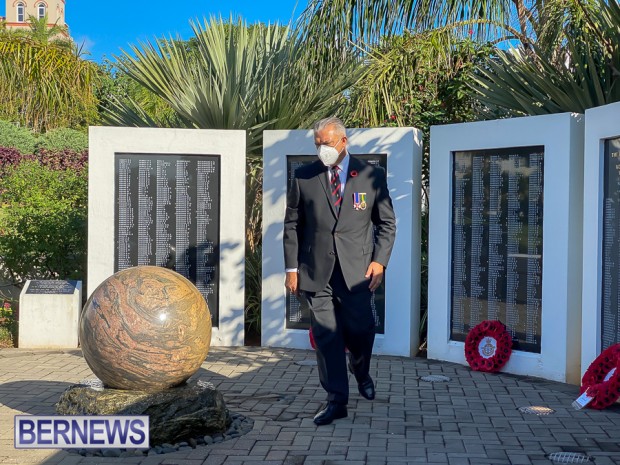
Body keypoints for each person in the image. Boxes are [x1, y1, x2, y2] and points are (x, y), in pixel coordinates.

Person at [283, 116, 396, 425]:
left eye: (327, 143)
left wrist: (380, 261)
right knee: (327, 336)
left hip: (357, 271)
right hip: (316, 270)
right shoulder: (304, 176)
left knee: (362, 330)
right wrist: (292, 269)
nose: (322, 149)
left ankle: (359, 369)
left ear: (344, 142)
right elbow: (292, 225)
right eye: (317, 144)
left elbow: (386, 223)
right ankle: (336, 401)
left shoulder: (372, 175)